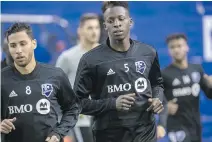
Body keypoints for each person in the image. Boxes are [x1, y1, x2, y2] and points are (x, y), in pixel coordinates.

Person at [74, 2, 164, 142]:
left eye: (121, 19)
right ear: (105, 26)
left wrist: (158, 98)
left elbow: (157, 84)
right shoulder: (90, 60)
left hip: (145, 131)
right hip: (109, 134)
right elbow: (77, 102)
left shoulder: (148, 52)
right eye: (111, 21)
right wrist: (112, 104)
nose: (117, 24)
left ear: (130, 22)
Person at [1, 23, 81, 142]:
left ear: (34, 44)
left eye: (23, 44)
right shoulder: (2, 78)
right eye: (13, 45)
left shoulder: (55, 75)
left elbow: (73, 108)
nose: (18, 50)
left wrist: (58, 133)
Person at [56, 13, 100, 142]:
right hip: (78, 122)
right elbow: (56, 91)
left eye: (97, 28)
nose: (94, 32)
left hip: (103, 119)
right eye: (90, 28)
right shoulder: (67, 57)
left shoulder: (108, 55)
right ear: (80, 30)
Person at [162, 33, 212, 142]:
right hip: (176, 126)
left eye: (179, 46)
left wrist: (211, 85)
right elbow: (153, 98)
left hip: (195, 124)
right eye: (172, 47)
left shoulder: (197, 69)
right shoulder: (164, 74)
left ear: (186, 47)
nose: (176, 50)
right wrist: (165, 106)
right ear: (168, 51)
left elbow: (209, 95)